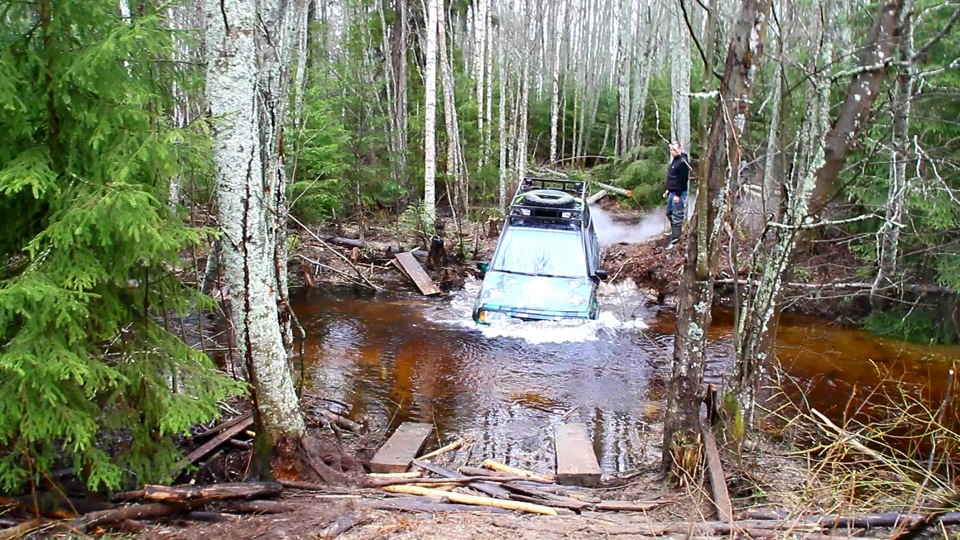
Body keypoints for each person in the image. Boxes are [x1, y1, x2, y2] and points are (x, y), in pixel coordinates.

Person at [662, 140, 690, 249]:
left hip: (679, 192)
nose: (672, 151)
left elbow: (683, 180)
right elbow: (672, 177)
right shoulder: (675, 160)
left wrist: (678, 195)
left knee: (677, 216)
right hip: (672, 191)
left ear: (679, 149)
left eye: (674, 149)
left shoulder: (683, 162)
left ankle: (675, 241)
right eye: (671, 149)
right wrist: (668, 189)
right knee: (669, 213)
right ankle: (674, 233)